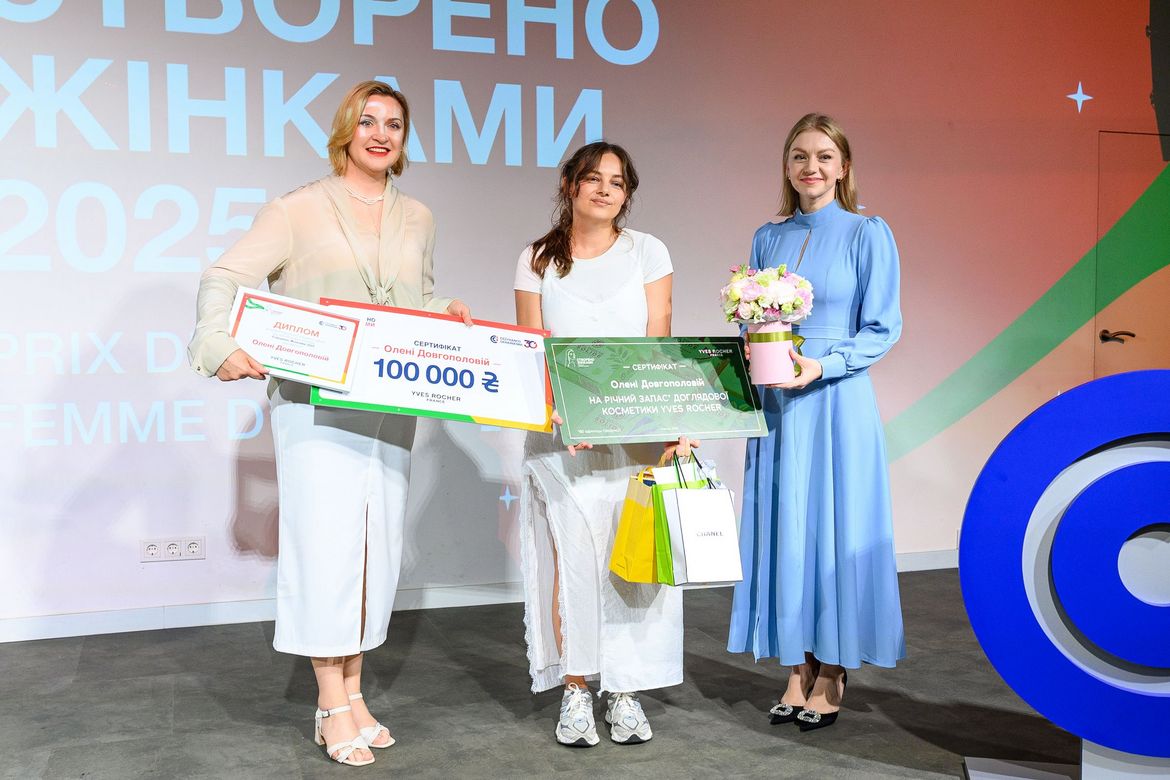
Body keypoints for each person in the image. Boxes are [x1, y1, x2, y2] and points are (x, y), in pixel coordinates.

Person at [188, 81, 472, 767]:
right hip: (315, 404)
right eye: (369, 120)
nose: (381, 133)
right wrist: (217, 342)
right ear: (346, 128)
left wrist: (444, 311)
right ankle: (328, 702)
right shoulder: (297, 209)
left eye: (394, 124)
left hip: (392, 402)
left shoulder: (419, 216)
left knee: (374, 551)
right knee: (325, 548)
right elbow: (223, 276)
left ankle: (353, 693)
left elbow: (414, 297)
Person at [727, 113, 905, 732]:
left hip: (836, 401)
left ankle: (832, 668)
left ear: (844, 167)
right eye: (800, 156)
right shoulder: (767, 237)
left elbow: (882, 328)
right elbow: (753, 323)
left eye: (825, 156)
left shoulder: (867, 233)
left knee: (833, 526)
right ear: (787, 166)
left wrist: (822, 365)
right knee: (786, 530)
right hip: (779, 405)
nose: (812, 167)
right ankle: (795, 665)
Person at [514, 141, 692, 747]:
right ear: (570, 184)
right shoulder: (537, 258)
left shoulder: (649, 251)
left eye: (617, 182)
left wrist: (672, 419)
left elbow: (659, 341)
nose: (605, 190)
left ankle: (624, 689)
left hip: (633, 434)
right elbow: (532, 349)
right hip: (563, 438)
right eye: (593, 178)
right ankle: (575, 688)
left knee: (631, 562)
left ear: (627, 194)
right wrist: (562, 413)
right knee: (574, 561)